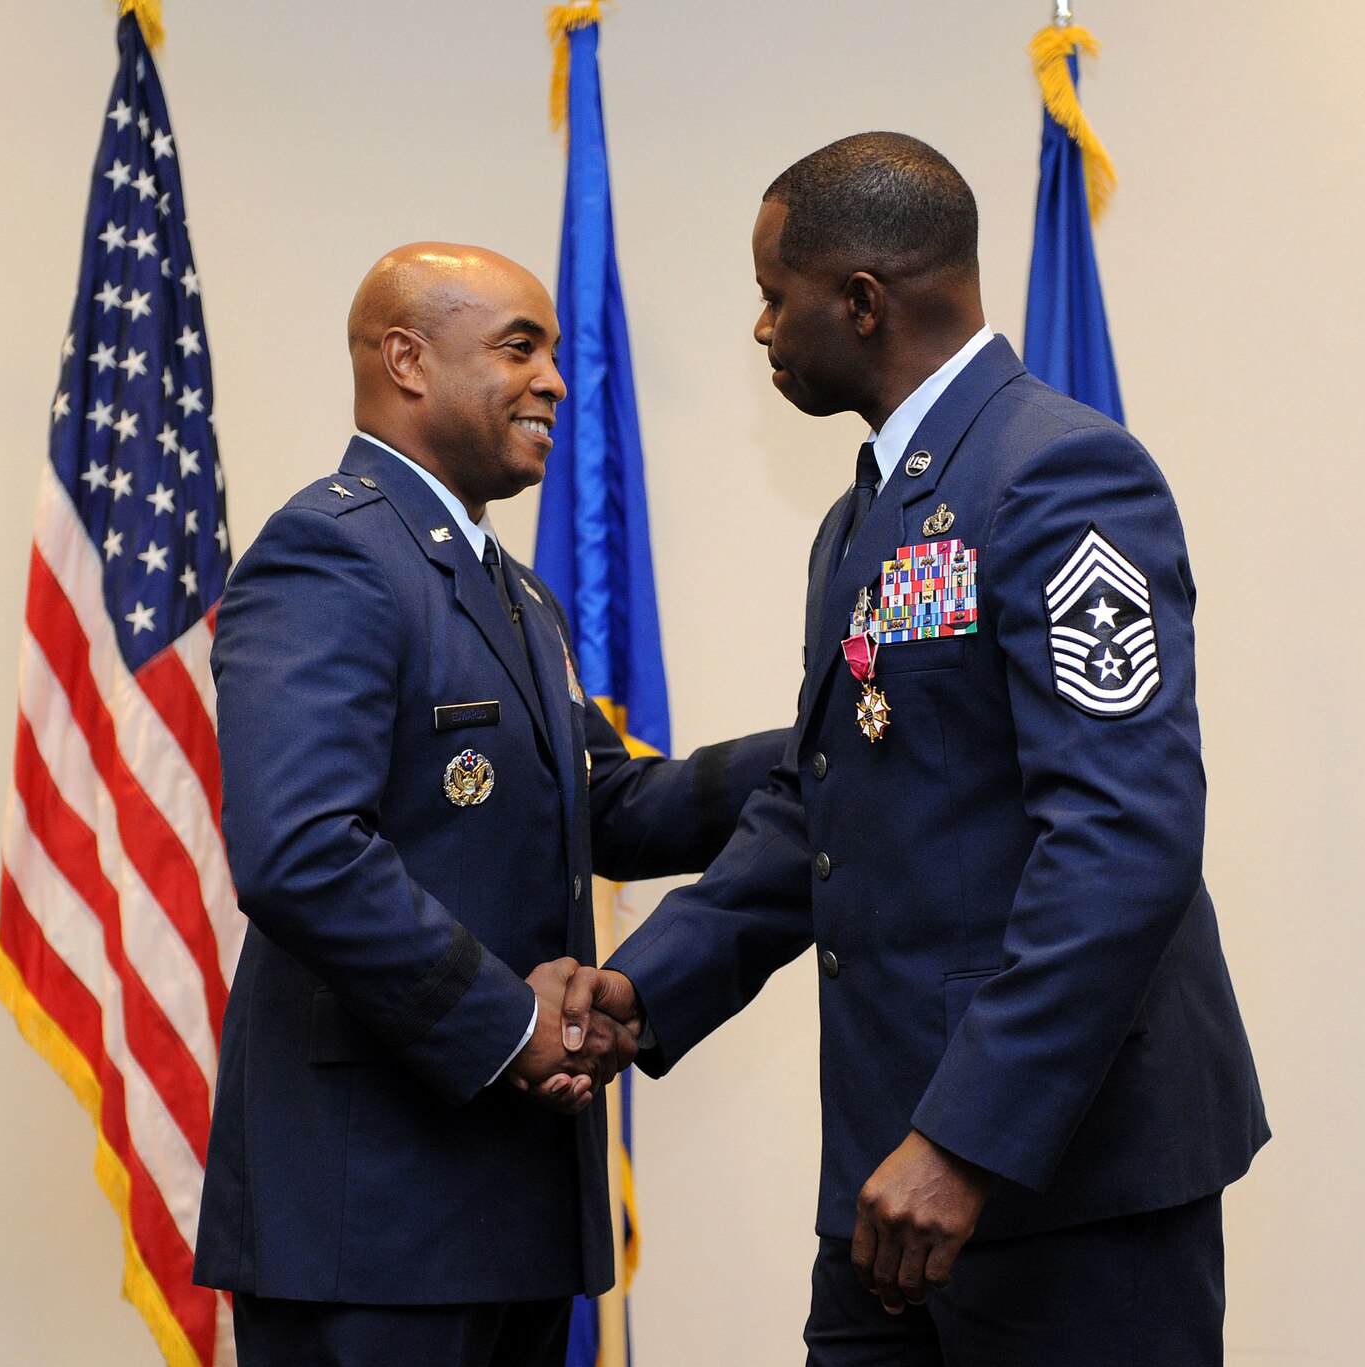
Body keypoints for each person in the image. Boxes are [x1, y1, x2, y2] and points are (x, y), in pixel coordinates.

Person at [600, 134, 1269, 1364]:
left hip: (1060, 1176)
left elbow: (1126, 836)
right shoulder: (861, 516)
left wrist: (965, 1137)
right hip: (886, 1170)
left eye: (770, 295)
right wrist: (640, 991)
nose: (759, 330)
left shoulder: (1059, 473)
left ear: (858, 301)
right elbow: (827, 801)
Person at [193, 242, 785, 1367]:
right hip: (369, 1216)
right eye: (521, 347)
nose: (556, 379)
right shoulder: (332, 551)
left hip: (504, 1210)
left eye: (553, 351)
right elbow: (299, 850)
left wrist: (810, 758)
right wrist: (509, 1023)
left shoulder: (511, 591)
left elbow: (607, 804)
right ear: (407, 359)